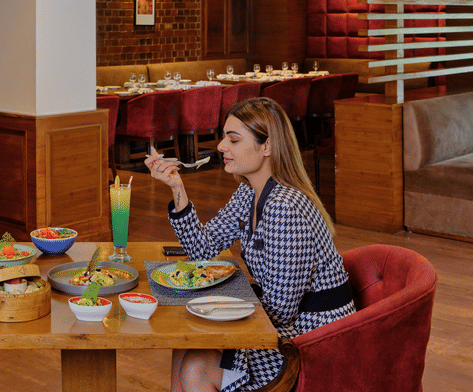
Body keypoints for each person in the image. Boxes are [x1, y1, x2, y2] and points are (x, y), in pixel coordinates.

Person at [144, 97, 355, 392]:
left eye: (233, 139)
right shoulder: (248, 193)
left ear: (266, 146)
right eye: (223, 139)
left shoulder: (286, 207)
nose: (220, 147)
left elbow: (282, 309)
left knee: (195, 369)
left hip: (310, 339)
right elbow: (202, 250)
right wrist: (177, 187)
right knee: (184, 346)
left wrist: (216, 308)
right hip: (282, 324)